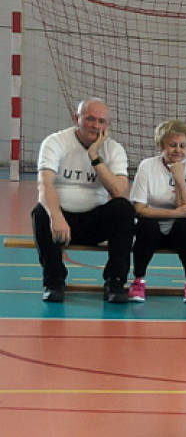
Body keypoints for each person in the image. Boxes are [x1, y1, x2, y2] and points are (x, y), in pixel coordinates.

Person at [31, 98, 136, 303]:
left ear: (108, 125)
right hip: (61, 223)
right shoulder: (56, 142)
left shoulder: (114, 149)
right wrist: (57, 217)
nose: (95, 125)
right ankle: (54, 282)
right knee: (40, 212)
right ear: (76, 119)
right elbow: (45, 184)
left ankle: (115, 283)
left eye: (101, 121)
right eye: (90, 119)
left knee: (123, 209)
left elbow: (119, 191)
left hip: (94, 222)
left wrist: (95, 156)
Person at [128, 119, 186, 303]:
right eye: (172, 145)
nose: (178, 150)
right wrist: (174, 213)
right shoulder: (147, 166)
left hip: (179, 229)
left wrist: (179, 177)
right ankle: (138, 280)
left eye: (182, 146)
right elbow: (139, 209)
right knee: (145, 226)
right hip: (153, 226)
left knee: (185, 226)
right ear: (161, 146)